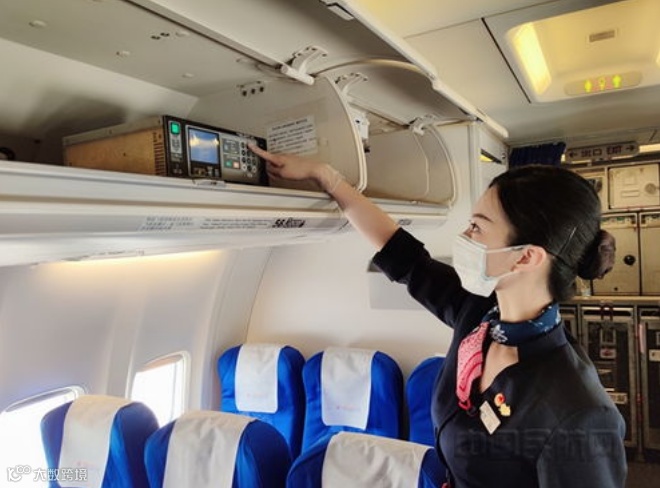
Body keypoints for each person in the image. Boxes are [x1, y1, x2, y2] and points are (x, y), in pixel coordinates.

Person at [248, 145, 626, 487]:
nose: (464, 236)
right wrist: (327, 177)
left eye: (477, 227)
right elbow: (405, 258)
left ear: (526, 256)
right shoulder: (480, 314)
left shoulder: (578, 413)